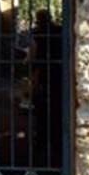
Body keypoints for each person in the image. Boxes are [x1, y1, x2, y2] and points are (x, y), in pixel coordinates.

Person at [30, 9, 63, 164]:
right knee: (57, 110)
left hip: (45, 74)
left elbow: (33, 56)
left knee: (42, 110)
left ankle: (42, 143)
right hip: (59, 75)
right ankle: (57, 145)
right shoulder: (60, 31)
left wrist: (33, 79)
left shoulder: (37, 34)